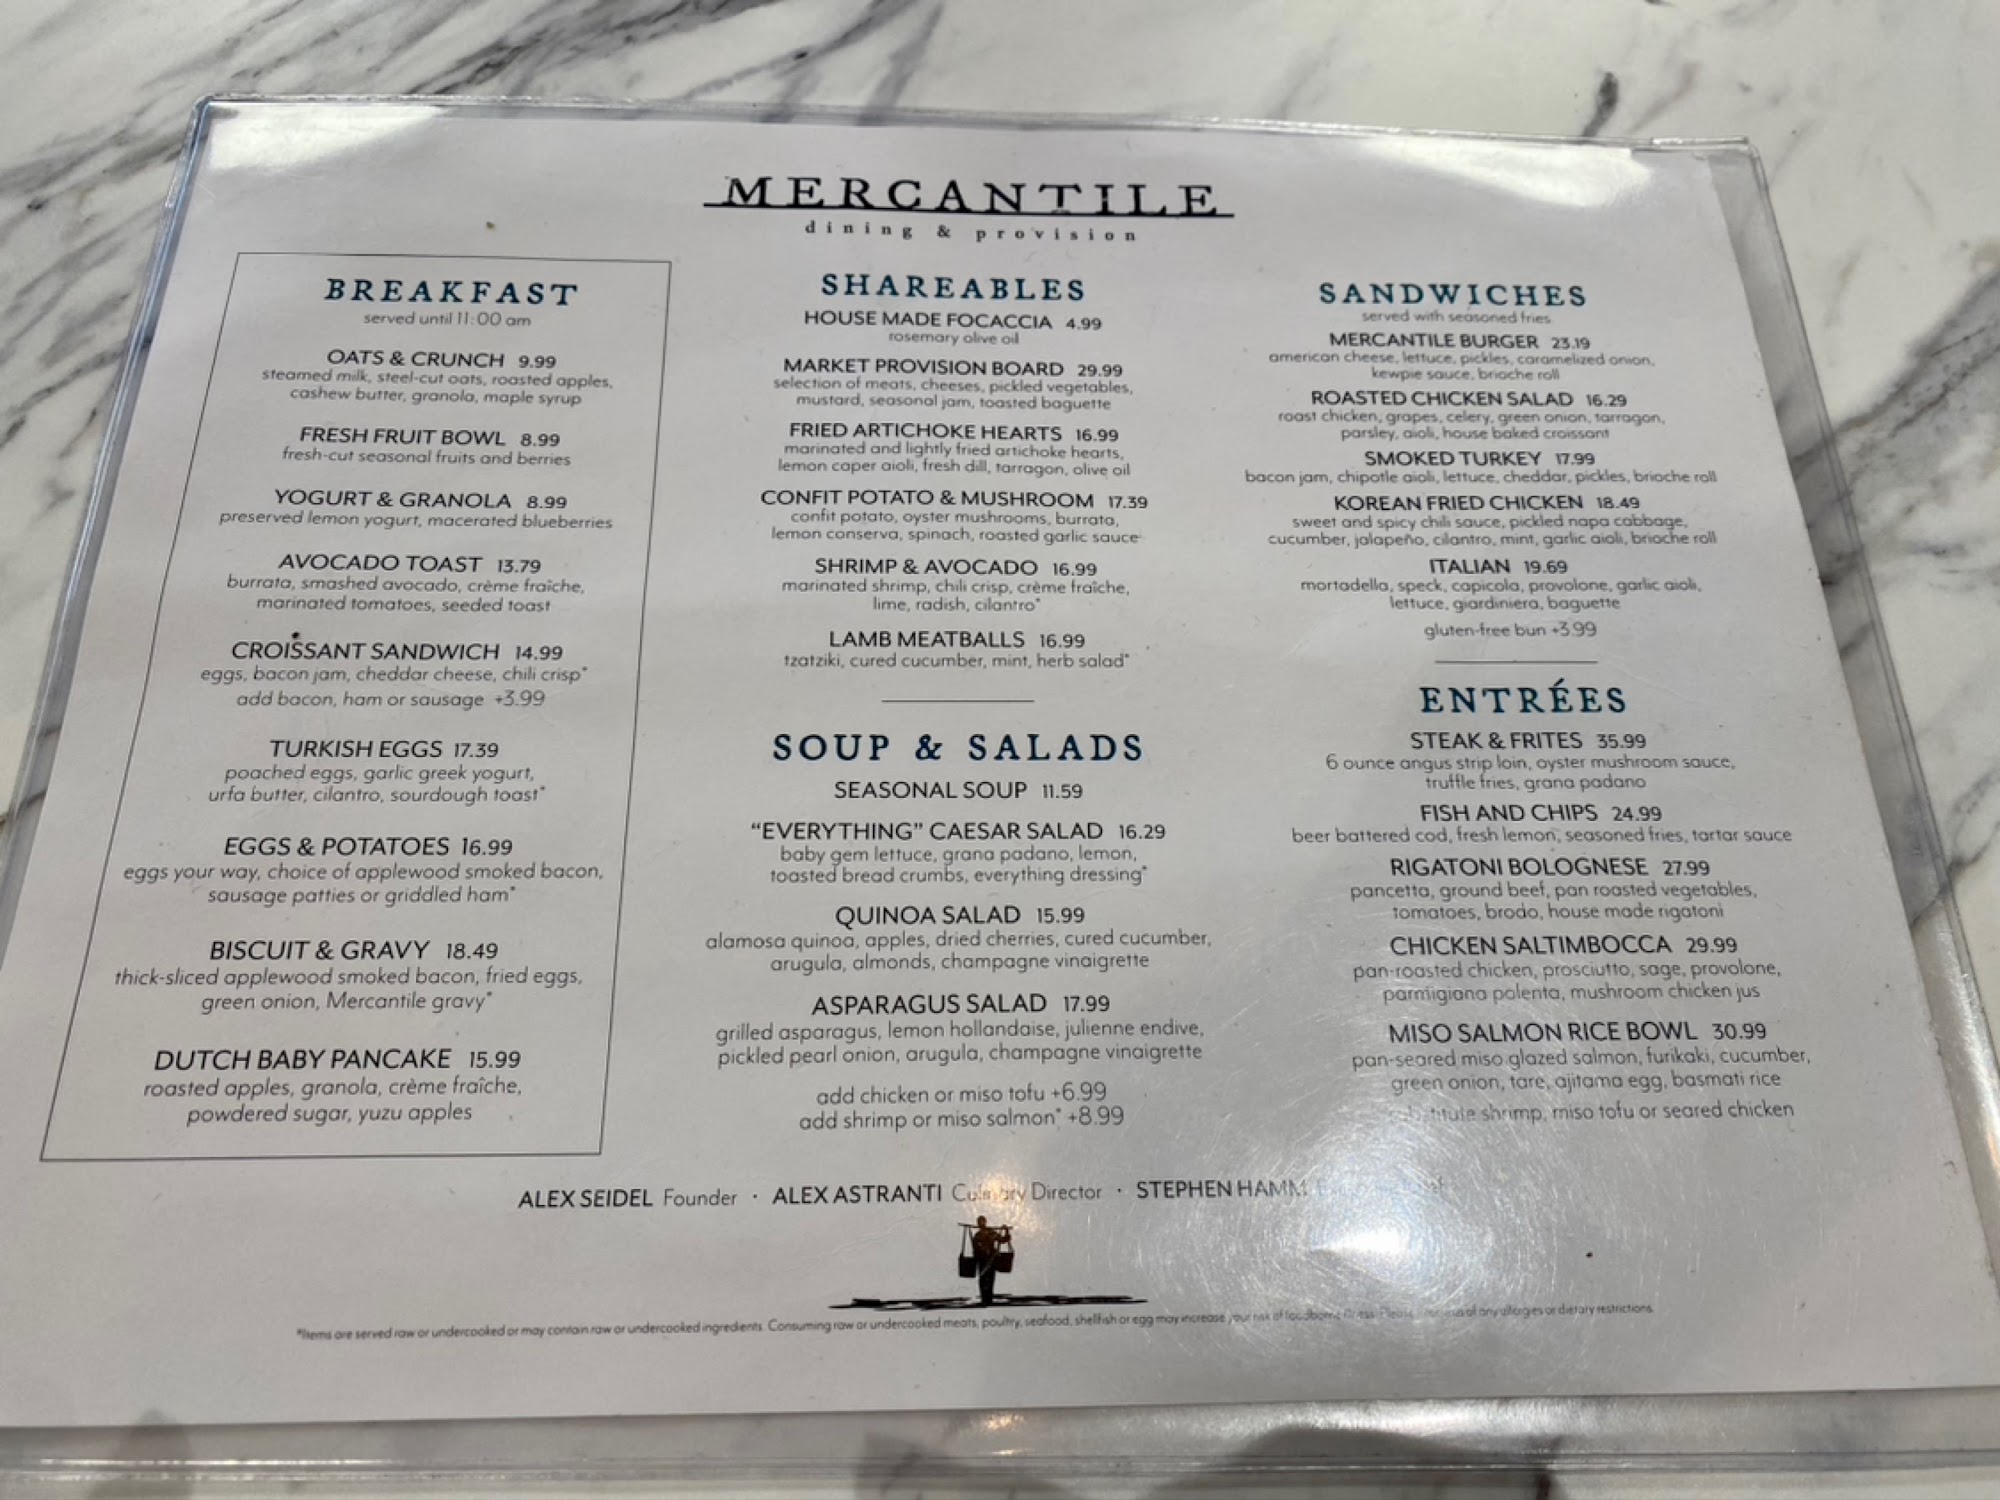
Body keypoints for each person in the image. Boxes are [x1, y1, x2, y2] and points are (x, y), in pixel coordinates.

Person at [969, 1215, 1012, 1306]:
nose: (981, 1224)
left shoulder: (991, 1233)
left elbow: (1003, 1240)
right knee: (983, 1280)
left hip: (991, 1260)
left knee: (990, 1279)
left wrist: (1006, 1230)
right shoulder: (978, 1235)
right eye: (979, 1222)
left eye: (982, 1221)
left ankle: (988, 1299)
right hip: (982, 1260)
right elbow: (975, 1247)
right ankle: (985, 1299)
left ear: (985, 1222)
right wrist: (982, 1250)